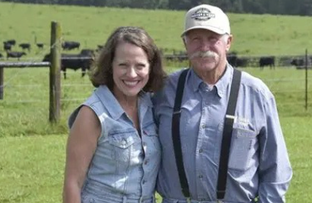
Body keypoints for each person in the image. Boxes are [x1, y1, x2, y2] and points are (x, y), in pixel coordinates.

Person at [153, 4, 292, 203]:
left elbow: (276, 169)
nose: (204, 47)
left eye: (213, 39)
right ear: (185, 44)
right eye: (195, 39)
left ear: (228, 42)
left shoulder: (256, 94)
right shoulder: (164, 90)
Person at [63, 26, 166, 203]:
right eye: (123, 65)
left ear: (151, 67)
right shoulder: (92, 114)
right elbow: (73, 183)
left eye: (140, 65)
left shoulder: (151, 106)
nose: (132, 74)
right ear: (110, 66)